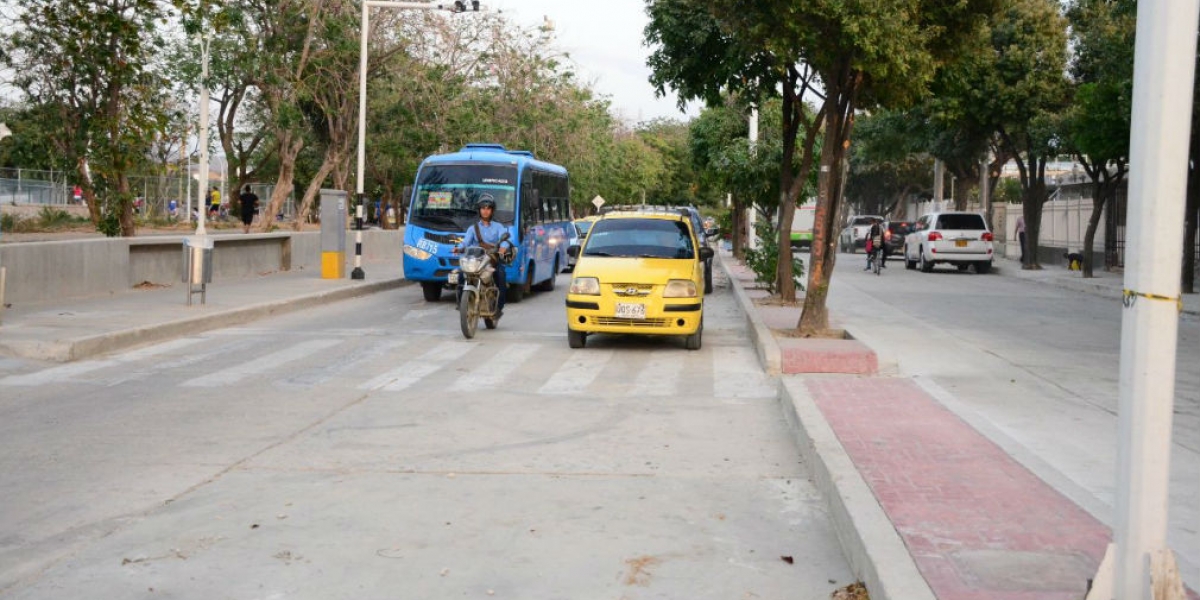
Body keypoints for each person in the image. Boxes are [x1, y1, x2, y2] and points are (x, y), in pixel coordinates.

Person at [454, 195, 511, 317]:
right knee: (460, 274)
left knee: (501, 276)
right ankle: (461, 303)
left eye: (488, 208)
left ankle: (498, 308)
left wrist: (503, 247)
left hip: (492, 260)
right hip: (476, 260)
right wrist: (459, 248)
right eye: (483, 208)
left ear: (492, 210)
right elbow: (465, 242)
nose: (485, 210)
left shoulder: (498, 227)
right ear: (479, 210)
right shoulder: (473, 228)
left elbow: (504, 239)